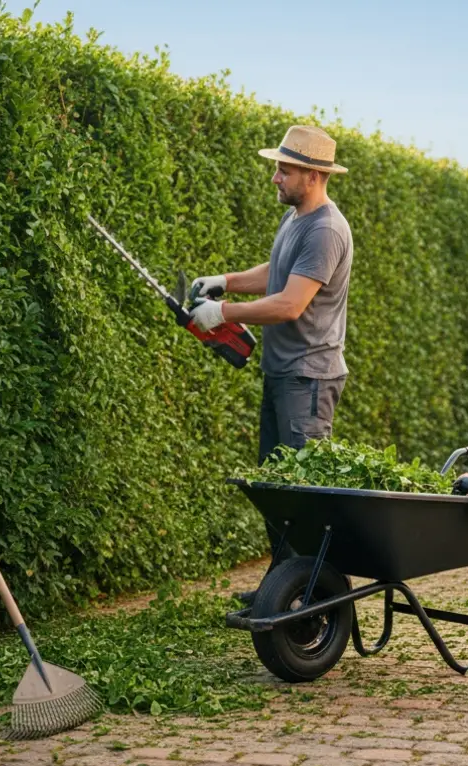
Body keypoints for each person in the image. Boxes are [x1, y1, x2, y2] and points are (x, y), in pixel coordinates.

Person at [188, 125, 353, 600]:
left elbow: (289, 304)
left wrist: (223, 313)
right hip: (283, 372)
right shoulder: (298, 219)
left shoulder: (325, 229)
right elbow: (279, 271)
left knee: (304, 493)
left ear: (313, 175)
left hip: (309, 378)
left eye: (284, 170)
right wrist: (226, 281)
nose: (275, 178)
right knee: (278, 489)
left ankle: (318, 595)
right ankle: (282, 586)